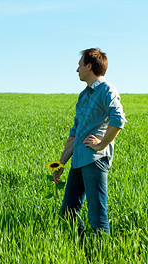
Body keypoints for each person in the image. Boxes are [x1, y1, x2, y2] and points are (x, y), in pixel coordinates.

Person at [53, 48, 127, 236]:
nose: (77, 70)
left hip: (94, 161)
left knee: (97, 218)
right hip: (78, 160)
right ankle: (82, 249)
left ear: (89, 65)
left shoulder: (107, 89)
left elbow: (118, 119)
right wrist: (61, 163)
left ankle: (102, 259)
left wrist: (101, 144)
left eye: (79, 65)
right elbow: (75, 133)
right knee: (68, 213)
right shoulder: (84, 95)